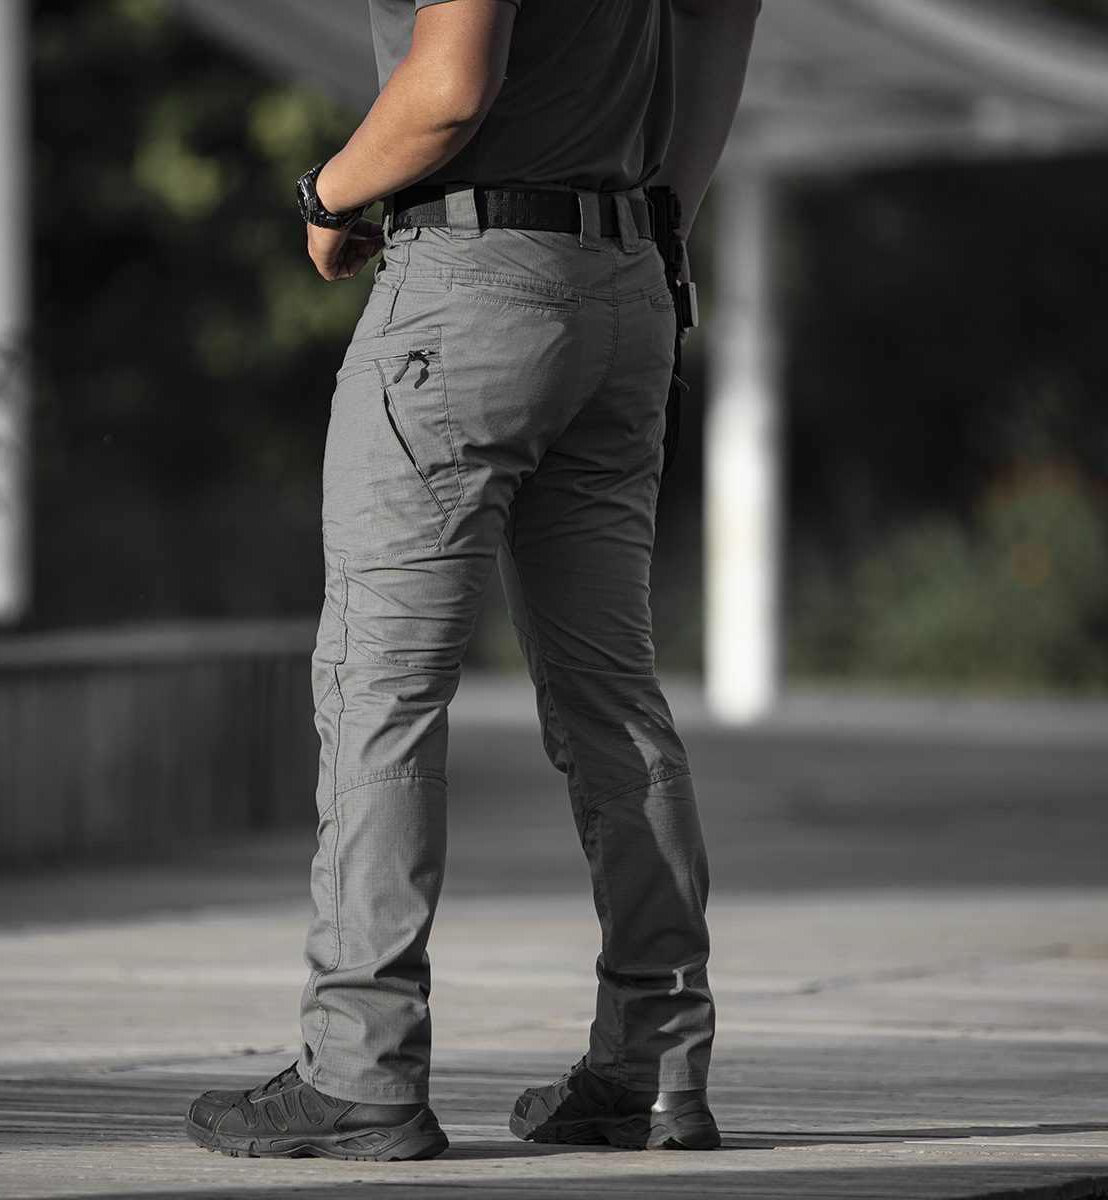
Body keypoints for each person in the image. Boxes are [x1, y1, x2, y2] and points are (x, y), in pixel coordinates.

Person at [185, 0, 759, 1162]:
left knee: (382, 689)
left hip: (471, 285)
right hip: (627, 279)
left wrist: (329, 193)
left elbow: (451, 86)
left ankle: (360, 1070)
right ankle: (653, 1068)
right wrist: (663, 215)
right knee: (612, 697)